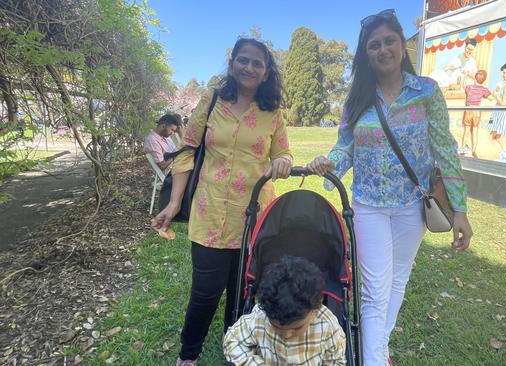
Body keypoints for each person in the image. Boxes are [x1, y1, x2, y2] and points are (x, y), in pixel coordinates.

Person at [306, 9, 473, 365]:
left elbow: (445, 149)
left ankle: (376, 349)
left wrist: (460, 210)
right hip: (368, 207)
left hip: (413, 207)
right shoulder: (356, 101)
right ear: (365, 54)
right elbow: (344, 149)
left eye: (389, 42)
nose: (383, 50)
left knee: (398, 282)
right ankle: (375, 359)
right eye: (374, 45)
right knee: (374, 293)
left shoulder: (426, 92)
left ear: (402, 45)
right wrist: (328, 162)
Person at [151, 38, 292, 366]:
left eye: (257, 63)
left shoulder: (272, 112)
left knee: (244, 293)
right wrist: (173, 205)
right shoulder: (213, 100)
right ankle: (188, 356)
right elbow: (187, 151)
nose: (249, 67)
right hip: (210, 213)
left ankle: (237, 349)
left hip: (253, 219)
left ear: (266, 71)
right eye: (243, 60)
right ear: (232, 64)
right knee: (205, 293)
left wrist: (283, 161)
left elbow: (282, 151)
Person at [223, 256, 347, 365]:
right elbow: (232, 341)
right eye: (277, 327)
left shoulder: (328, 326)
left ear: (315, 310)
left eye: (297, 328)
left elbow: (336, 361)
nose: (286, 335)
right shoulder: (260, 318)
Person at [460, 69, 491, 157]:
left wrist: (466, 75)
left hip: (468, 110)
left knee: (466, 131)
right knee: (475, 132)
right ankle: (473, 151)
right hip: (477, 111)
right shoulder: (484, 89)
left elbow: (463, 85)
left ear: (475, 77)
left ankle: (462, 150)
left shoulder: (469, 87)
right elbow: (490, 98)